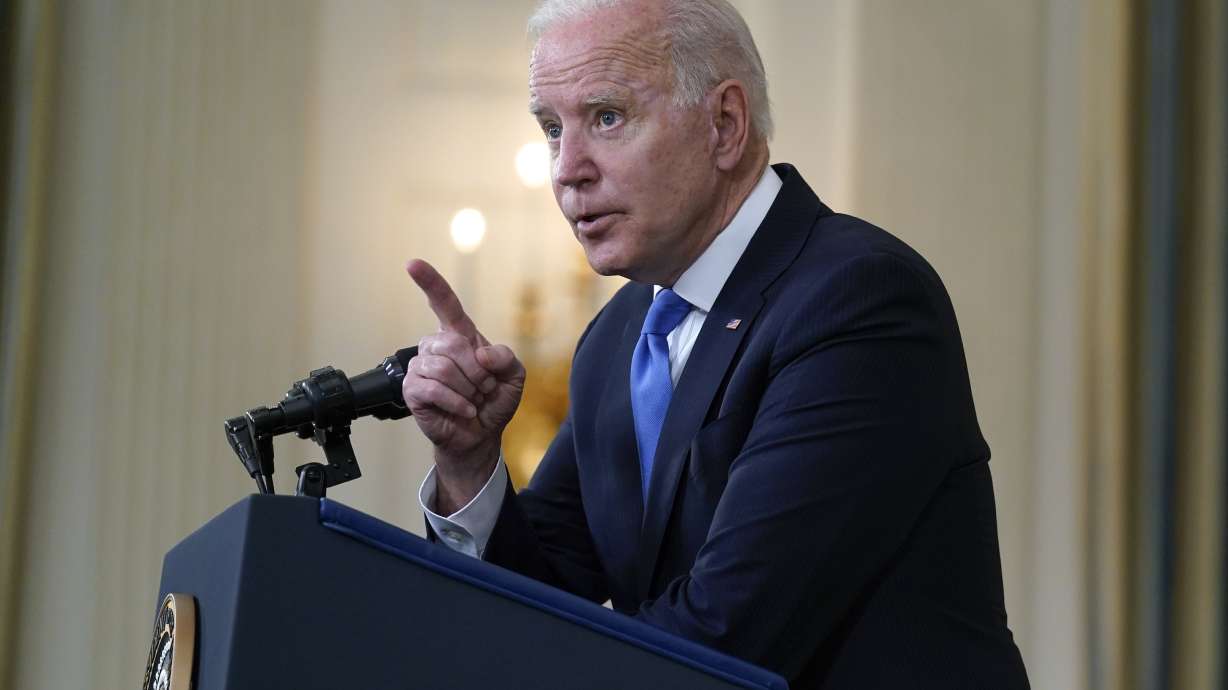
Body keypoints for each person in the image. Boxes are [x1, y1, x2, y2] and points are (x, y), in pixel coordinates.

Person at [401, 0, 1030, 687]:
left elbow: (725, 636)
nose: (566, 168)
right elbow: (537, 599)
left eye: (606, 117)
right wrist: (467, 464)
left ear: (724, 124)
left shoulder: (859, 303)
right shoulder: (615, 340)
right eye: (553, 128)